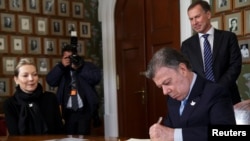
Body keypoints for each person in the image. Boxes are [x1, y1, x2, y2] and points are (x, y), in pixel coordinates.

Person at [146, 47, 236, 141]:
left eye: (167, 82)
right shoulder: (172, 98)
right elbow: (169, 129)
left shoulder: (215, 92)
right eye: (161, 87)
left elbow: (227, 133)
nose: (165, 92)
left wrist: (175, 135)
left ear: (182, 69)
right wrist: (161, 133)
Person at [181, 1, 242, 105]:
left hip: (227, 96)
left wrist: (216, 88)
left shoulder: (228, 38)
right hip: (200, 100)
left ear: (208, 15)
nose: (194, 22)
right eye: (191, 19)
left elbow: (235, 66)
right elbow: (187, 72)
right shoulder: (187, 45)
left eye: (197, 17)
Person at [46, 45, 101, 135]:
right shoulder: (61, 70)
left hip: (84, 111)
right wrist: (61, 66)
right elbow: (50, 81)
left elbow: (96, 78)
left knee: (83, 137)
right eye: (66, 57)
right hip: (67, 112)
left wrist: (79, 68)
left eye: (71, 57)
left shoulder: (86, 66)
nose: (69, 60)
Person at [3, 58, 64, 135]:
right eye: (25, 75)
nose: (31, 79)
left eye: (34, 74)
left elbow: (59, 131)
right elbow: (14, 135)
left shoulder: (50, 98)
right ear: (16, 79)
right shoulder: (9, 104)